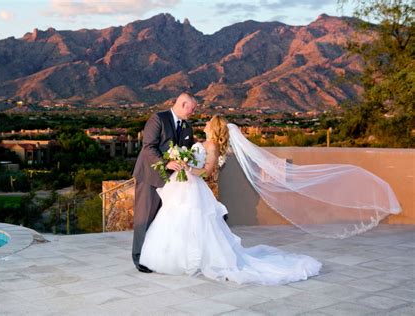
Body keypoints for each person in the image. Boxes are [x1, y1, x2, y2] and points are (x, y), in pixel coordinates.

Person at [139, 115, 401, 285]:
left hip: (194, 186)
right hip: (189, 189)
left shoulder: (211, 146)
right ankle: (186, 259)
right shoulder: (205, 143)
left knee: (199, 225)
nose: (205, 123)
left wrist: (187, 168)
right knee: (189, 224)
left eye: (208, 122)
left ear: (215, 128)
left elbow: (206, 172)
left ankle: (195, 260)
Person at [132, 92, 197, 273]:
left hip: (173, 183)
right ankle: (139, 259)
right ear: (183, 104)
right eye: (192, 110)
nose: (193, 113)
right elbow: (148, 147)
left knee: (162, 221)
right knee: (144, 219)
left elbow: (189, 149)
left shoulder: (187, 127)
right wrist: (165, 163)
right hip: (150, 177)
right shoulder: (158, 119)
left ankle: (156, 257)